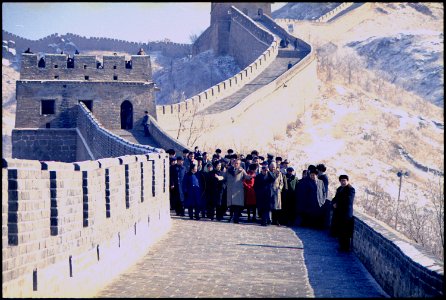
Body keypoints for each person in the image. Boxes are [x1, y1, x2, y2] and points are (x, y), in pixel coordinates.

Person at [331, 175, 355, 251]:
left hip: (346, 214)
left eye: (344, 180)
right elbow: (335, 198)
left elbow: (348, 201)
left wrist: (338, 204)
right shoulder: (340, 189)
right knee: (340, 231)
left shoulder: (350, 189)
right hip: (339, 213)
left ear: (347, 181)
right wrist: (334, 202)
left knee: (345, 232)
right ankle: (341, 246)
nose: (343, 182)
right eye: (341, 181)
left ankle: (345, 248)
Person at [225, 158, 251, 224]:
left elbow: (246, 177)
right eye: (235, 163)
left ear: (239, 164)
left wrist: (251, 176)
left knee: (237, 206)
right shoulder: (229, 170)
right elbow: (225, 177)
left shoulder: (242, 170)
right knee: (231, 206)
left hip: (238, 191)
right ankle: (231, 217)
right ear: (233, 163)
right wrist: (220, 178)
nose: (236, 164)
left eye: (238, 163)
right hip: (231, 190)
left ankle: (236, 219)